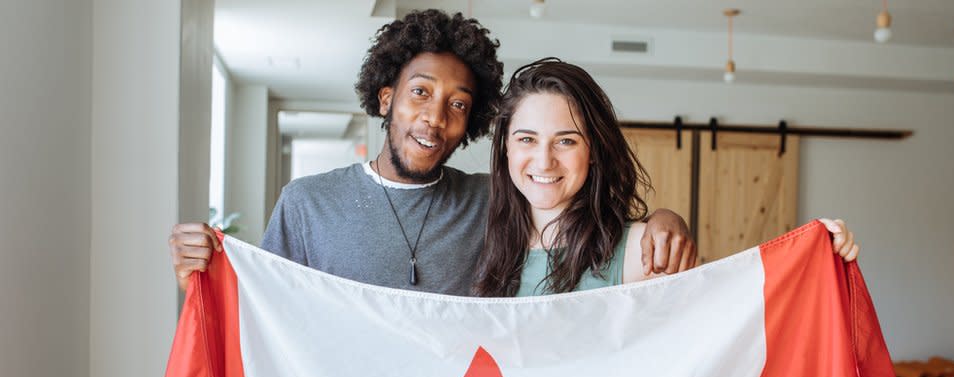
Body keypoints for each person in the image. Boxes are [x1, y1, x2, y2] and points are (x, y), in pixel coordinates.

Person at [169, 10, 695, 295]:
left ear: (472, 121)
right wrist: (201, 274)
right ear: (386, 96)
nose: (434, 117)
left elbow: (574, 208)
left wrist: (668, 219)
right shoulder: (307, 204)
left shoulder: (494, 200)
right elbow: (259, 310)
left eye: (458, 104)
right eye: (420, 92)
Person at [472, 59, 859, 297]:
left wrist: (816, 253)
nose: (545, 159)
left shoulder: (644, 251)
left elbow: (736, 304)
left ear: (593, 152)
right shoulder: (478, 241)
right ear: (505, 147)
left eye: (566, 141)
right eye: (527, 139)